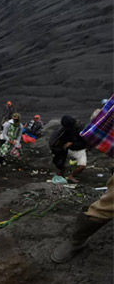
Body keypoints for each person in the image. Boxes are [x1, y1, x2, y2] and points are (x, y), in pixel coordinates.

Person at [51, 99, 113, 262]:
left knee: (81, 164)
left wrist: (75, 143)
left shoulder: (77, 128)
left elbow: (83, 141)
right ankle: (76, 240)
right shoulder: (62, 132)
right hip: (70, 151)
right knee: (109, 203)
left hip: (78, 150)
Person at [49, 115, 87, 183]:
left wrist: (73, 143)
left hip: (79, 149)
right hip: (68, 149)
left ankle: (71, 176)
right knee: (61, 162)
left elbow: (84, 143)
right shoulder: (65, 129)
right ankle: (60, 175)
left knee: (82, 165)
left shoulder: (80, 129)